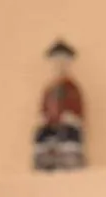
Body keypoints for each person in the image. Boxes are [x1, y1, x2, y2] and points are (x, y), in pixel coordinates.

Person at [34, 40, 86, 172]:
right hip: (52, 125)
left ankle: (68, 162)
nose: (59, 66)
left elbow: (77, 109)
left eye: (63, 62)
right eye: (56, 62)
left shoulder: (72, 88)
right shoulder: (49, 90)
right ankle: (45, 164)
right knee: (42, 135)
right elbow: (44, 109)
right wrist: (44, 118)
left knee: (68, 135)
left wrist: (71, 116)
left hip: (67, 125)